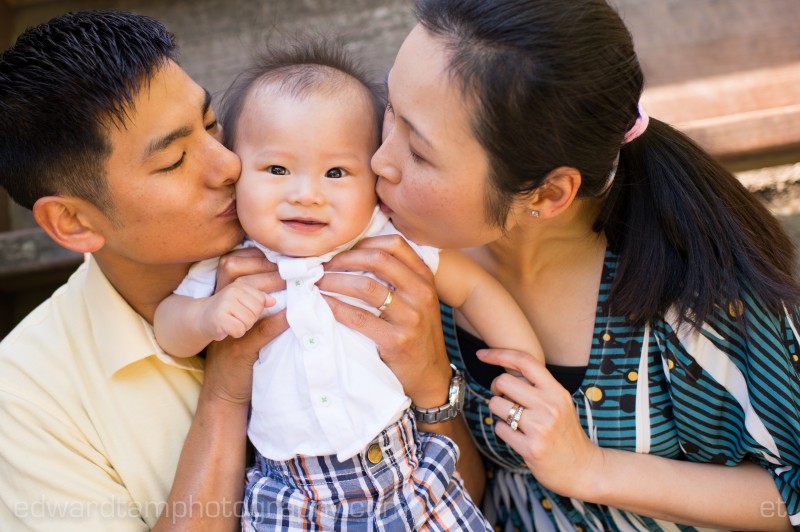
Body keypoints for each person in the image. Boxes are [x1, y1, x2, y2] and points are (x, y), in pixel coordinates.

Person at [313, 0, 800, 530]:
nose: (380, 159)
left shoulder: (697, 297)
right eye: (391, 107)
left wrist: (590, 467)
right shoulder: (386, 248)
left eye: (421, 153)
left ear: (547, 193)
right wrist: (433, 388)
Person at [153, 39, 541, 530]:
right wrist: (206, 316)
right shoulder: (231, 264)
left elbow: (474, 290)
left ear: (374, 177)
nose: (307, 194)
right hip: (288, 489)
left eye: (336, 172)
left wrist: (524, 361)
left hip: (403, 468)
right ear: (236, 173)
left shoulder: (386, 242)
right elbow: (169, 326)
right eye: (276, 169)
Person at [0, 10, 289, 530]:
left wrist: (431, 387)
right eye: (175, 160)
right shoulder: (25, 397)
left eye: (209, 123)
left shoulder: (314, 233)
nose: (227, 164)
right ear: (72, 221)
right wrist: (224, 394)